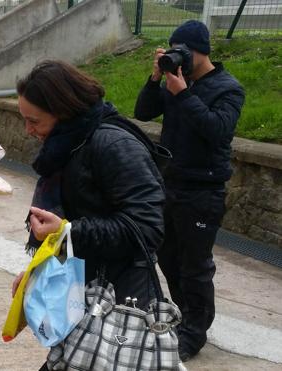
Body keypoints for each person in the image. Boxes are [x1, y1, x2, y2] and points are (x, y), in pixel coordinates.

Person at [12, 59, 165, 317]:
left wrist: (67, 231)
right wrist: (37, 273)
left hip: (119, 302)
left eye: (34, 121)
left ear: (62, 110)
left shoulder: (114, 146)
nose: (28, 130)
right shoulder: (67, 145)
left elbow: (146, 229)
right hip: (81, 289)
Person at [134, 20, 245, 361]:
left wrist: (184, 93)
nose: (176, 57)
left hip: (204, 190)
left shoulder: (228, 88)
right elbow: (143, 112)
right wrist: (156, 78)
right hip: (169, 183)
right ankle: (185, 317)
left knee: (195, 265)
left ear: (199, 52)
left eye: (182, 51)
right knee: (167, 257)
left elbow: (217, 130)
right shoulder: (173, 80)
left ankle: (194, 333)